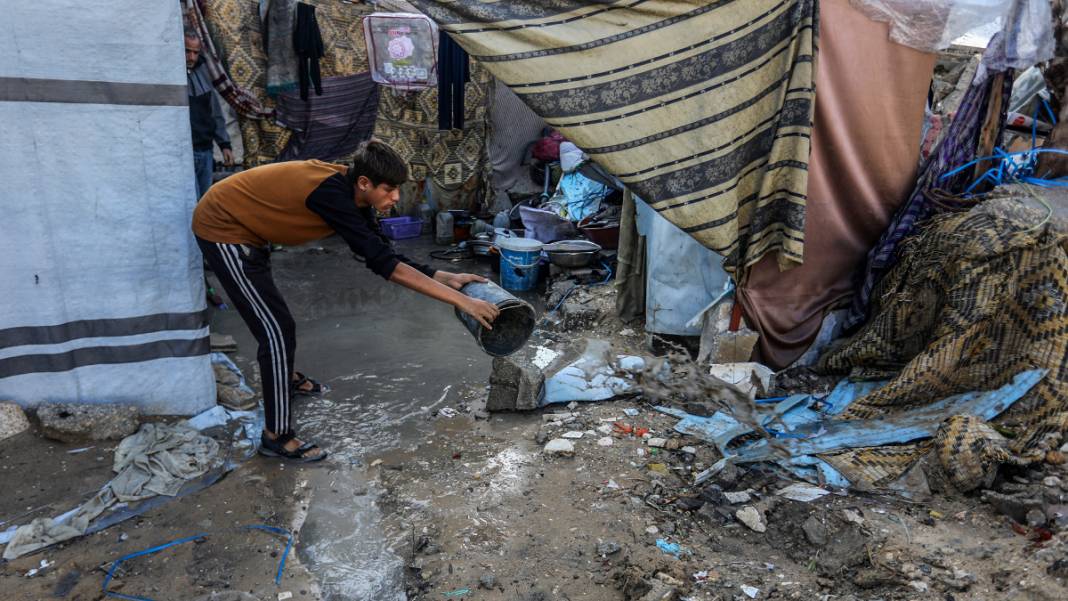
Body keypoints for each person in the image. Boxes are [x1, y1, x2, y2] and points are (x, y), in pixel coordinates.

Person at [192, 140, 500, 462]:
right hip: (224, 228)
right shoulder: (332, 196)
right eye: (389, 189)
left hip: (249, 226)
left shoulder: (356, 197)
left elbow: (381, 252)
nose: (396, 197)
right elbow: (387, 268)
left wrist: (442, 276)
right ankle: (276, 437)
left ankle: (284, 378)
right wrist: (461, 301)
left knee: (277, 323)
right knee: (276, 331)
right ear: (365, 183)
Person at [185, 33, 234, 199]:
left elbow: (215, 112)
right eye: (187, 51)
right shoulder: (173, 75)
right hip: (185, 152)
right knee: (190, 201)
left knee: (205, 202)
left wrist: (224, 144)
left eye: (195, 52)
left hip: (205, 150)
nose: (191, 57)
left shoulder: (203, 71)